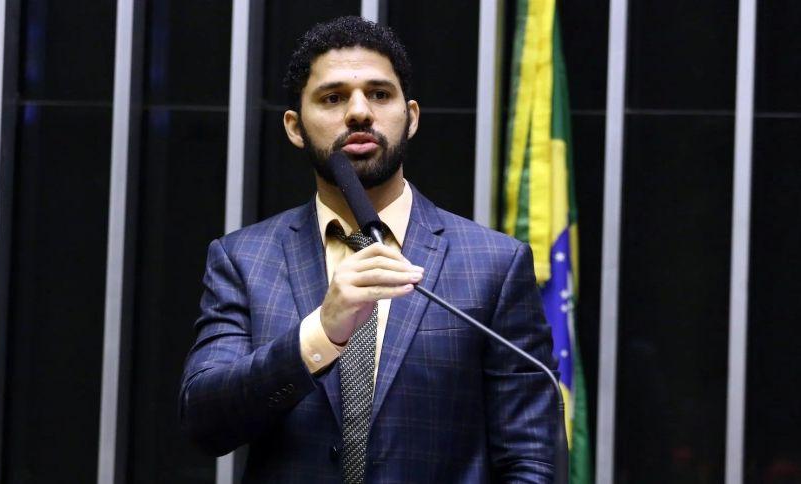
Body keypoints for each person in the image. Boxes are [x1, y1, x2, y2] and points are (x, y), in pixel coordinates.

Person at [180, 16, 558, 483]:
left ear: (411, 117)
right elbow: (204, 422)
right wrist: (321, 334)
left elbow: (531, 458)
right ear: (295, 127)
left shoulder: (495, 264)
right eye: (333, 98)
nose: (359, 112)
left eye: (379, 94)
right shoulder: (243, 260)